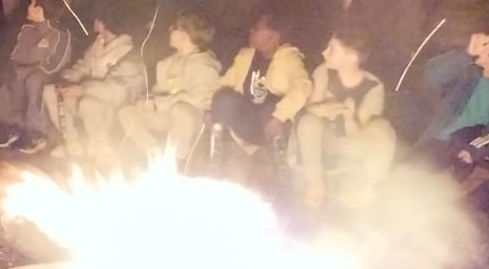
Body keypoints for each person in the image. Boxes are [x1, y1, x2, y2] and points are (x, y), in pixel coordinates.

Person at [291, 29, 397, 210]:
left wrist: (349, 119)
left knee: (383, 129)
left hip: (351, 144)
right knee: (308, 122)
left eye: (332, 49)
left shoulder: (373, 86)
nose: (325, 53)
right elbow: (311, 107)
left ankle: (368, 186)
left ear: (351, 56)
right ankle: (316, 184)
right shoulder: (324, 72)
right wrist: (322, 109)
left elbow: (360, 133)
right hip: (324, 141)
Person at [112, 14, 222, 166]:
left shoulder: (205, 64)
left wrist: (159, 103)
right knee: (126, 112)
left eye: (174, 28)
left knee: (181, 111)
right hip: (168, 114)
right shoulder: (168, 62)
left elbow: (200, 98)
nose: (170, 31)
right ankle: (153, 152)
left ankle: (178, 160)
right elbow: (160, 91)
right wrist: (146, 100)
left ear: (186, 34)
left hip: (195, 118)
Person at [208, 11, 312, 165]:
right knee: (223, 98)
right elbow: (226, 82)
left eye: (257, 29)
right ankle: (217, 158)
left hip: (272, 124)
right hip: (249, 118)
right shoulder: (245, 56)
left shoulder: (289, 59)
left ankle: (280, 167)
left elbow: (302, 86)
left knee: (270, 109)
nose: (252, 31)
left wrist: (280, 116)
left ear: (274, 35)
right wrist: (209, 106)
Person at [44, 9, 145, 161]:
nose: (94, 23)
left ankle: (101, 148)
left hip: (110, 106)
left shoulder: (129, 55)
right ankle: (73, 143)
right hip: (84, 94)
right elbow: (83, 66)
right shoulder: (98, 44)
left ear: (103, 23)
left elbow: (115, 91)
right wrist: (66, 80)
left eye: (97, 19)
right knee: (52, 91)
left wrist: (83, 89)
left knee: (88, 104)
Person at [0, 0, 76, 154]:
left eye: (32, 4)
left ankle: (35, 132)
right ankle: (9, 124)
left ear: (39, 9)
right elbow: (15, 55)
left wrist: (26, 70)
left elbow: (56, 64)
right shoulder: (26, 29)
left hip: (45, 75)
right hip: (23, 71)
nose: (28, 7)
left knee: (35, 80)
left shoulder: (59, 33)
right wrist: (10, 66)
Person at [339, 0, 426, 91]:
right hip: (365, 55)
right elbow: (352, 24)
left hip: (389, 69)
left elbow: (395, 44)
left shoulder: (411, 6)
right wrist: (349, 4)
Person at [419, 31, 489, 162]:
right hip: (430, 139)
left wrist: (476, 152)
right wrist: (467, 54)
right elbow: (431, 75)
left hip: (460, 154)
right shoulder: (466, 70)